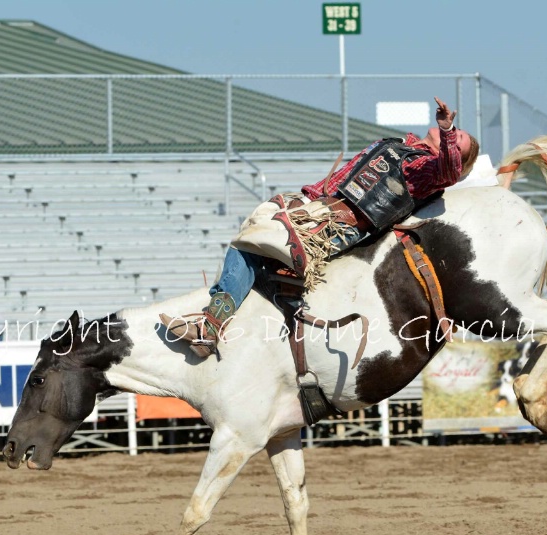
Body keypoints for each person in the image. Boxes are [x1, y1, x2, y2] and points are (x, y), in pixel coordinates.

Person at [161, 96, 480, 357]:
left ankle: (212, 327)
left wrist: (449, 129)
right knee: (247, 247)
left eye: (459, 140)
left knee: (249, 247)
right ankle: (245, 326)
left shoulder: (425, 169)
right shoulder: (401, 146)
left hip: (337, 224)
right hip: (317, 209)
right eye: (458, 133)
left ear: (453, 153)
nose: (454, 134)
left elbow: (449, 172)